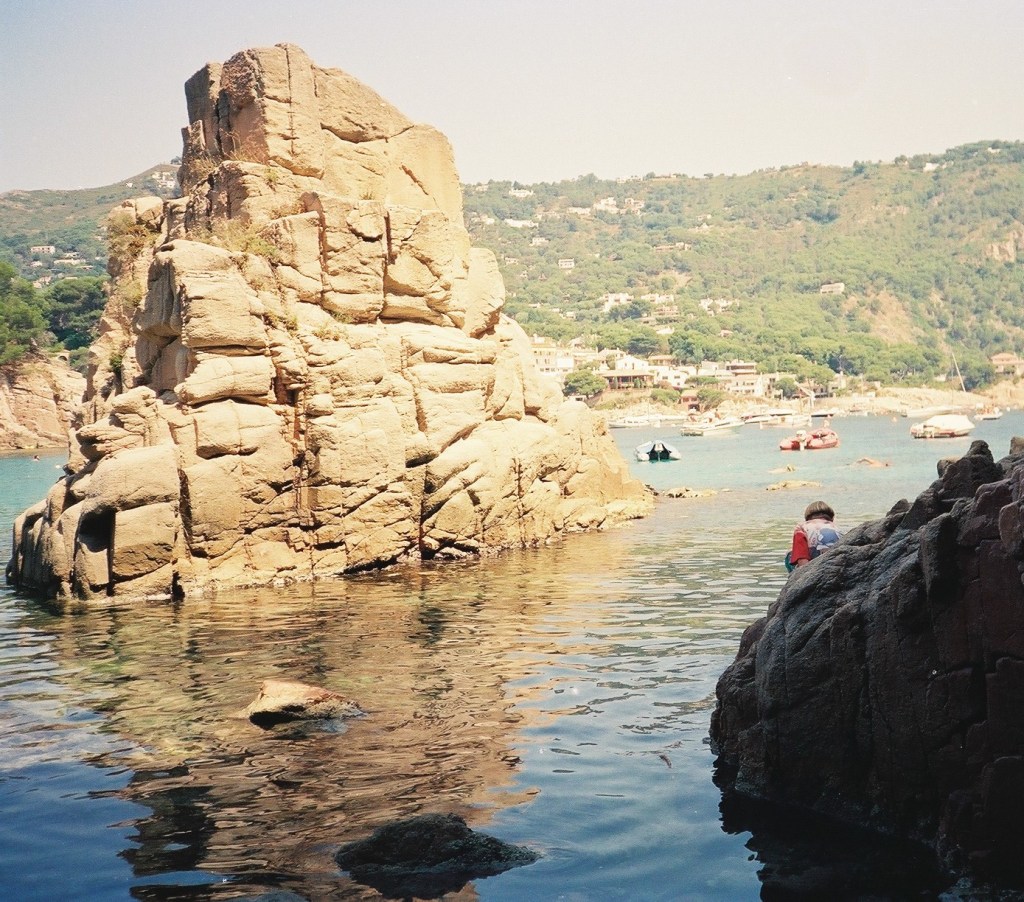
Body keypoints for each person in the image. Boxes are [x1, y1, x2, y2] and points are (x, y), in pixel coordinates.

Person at [785, 500, 843, 571]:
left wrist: (804, 572)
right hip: (836, 566)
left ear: (807, 517)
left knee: (789, 554)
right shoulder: (837, 529)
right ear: (832, 517)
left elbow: (801, 556)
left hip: (813, 567)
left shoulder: (802, 528)